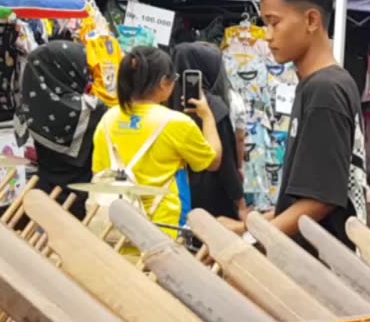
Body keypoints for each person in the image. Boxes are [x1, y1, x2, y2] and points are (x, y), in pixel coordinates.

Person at [221, 0, 367, 250]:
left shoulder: (325, 90)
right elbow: (305, 196)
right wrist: (246, 226)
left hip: (326, 268)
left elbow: (320, 201)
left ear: (311, 20)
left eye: (274, 22)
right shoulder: (319, 83)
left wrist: (251, 240)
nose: (267, 35)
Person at [91, 46, 222, 237]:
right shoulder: (176, 123)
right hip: (162, 230)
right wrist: (207, 117)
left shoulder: (107, 119)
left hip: (114, 229)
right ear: (163, 82)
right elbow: (213, 162)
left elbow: (98, 172)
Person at [14, 41, 106, 220]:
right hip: (81, 199)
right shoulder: (94, 108)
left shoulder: (30, 104)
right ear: (71, 69)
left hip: (43, 194)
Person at [169, 42, 246, 223]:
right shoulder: (213, 106)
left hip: (173, 192)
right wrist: (240, 201)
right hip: (210, 194)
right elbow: (225, 160)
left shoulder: (164, 101)